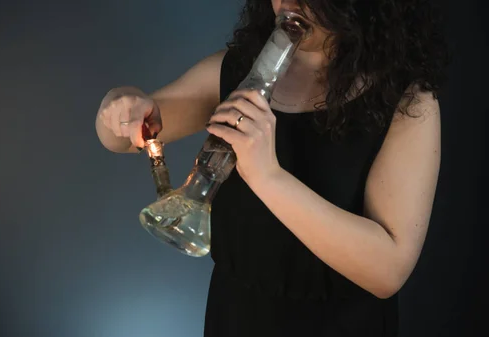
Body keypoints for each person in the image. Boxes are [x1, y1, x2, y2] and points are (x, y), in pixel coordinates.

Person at [95, 0, 449, 335]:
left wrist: (267, 176)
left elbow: (388, 272)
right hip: (234, 320)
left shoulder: (407, 102)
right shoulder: (235, 71)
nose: (288, 3)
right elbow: (125, 138)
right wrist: (121, 104)